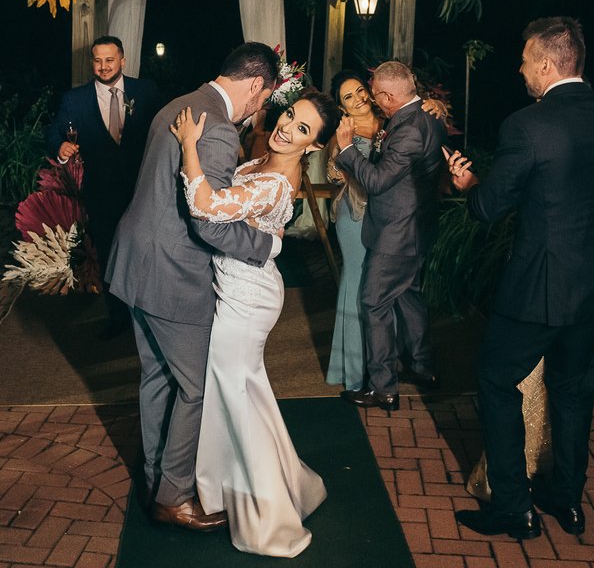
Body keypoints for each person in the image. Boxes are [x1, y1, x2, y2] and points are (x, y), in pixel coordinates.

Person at [448, 17, 594, 540]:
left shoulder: (527, 125)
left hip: (538, 288)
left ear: (545, 64)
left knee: (497, 380)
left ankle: (514, 509)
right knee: (573, 389)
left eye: (523, 60)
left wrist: (469, 184)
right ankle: (568, 499)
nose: (520, 69)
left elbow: (488, 209)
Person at [106, 41, 280, 532]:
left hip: (136, 262)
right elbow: (209, 223)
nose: (258, 110)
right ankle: (173, 495)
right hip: (173, 275)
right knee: (197, 387)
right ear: (254, 84)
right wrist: (266, 244)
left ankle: (154, 477)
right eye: (262, 99)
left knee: (157, 376)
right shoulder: (219, 128)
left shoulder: (178, 105)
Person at [174, 88, 338, 557]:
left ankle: (270, 522)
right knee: (247, 393)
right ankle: (291, 487)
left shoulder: (276, 181)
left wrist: (189, 143)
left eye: (302, 129)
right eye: (290, 116)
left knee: (236, 400)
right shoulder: (267, 158)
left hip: (246, 300)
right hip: (244, 285)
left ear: (313, 146)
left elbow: (205, 203)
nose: (288, 128)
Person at [335, 61, 448, 410]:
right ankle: (423, 367)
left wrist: (347, 151)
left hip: (397, 233)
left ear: (388, 95)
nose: (371, 98)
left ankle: (383, 387)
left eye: (375, 93)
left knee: (374, 302)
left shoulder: (409, 128)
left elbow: (378, 181)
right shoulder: (428, 115)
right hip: (416, 226)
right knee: (408, 296)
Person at [45, 36, 159, 338]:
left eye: (110, 59)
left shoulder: (146, 91)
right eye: (97, 60)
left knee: (146, 254)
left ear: (122, 60)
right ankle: (118, 317)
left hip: (143, 191)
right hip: (101, 193)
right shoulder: (75, 99)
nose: (103, 66)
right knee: (110, 255)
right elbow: (55, 131)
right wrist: (62, 149)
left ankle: (151, 317)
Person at [323, 70, 386, 392]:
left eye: (360, 90)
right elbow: (334, 175)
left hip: (389, 216)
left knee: (381, 284)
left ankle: (381, 362)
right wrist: (338, 164)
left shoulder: (391, 122)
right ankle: (351, 370)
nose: (358, 98)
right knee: (356, 279)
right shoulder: (342, 132)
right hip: (355, 213)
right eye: (349, 96)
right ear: (342, 106)